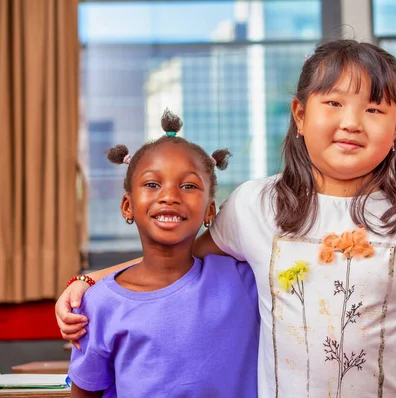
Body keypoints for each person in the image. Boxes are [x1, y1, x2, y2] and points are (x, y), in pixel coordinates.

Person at [58, 40, 396, 397]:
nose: (351, 122)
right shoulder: (256, 204)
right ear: (299, 115)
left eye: (373, 109)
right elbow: (175, 260)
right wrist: (90, 280)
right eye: (333, 103)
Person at [68, 110, 259, 398]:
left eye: (188, 186)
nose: (169, 195)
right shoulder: (99, 304)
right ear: (127, 206)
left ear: (210, 210)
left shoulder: (244, 280)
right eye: (152, 184)